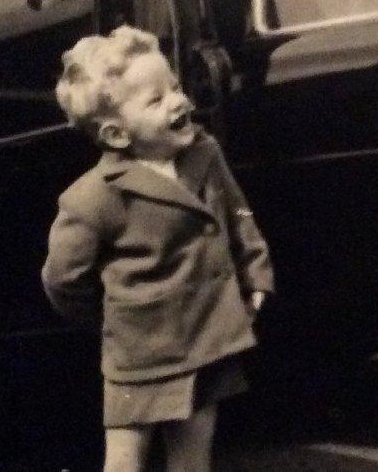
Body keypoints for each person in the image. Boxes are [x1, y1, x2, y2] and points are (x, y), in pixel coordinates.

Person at [41, 25, 274, 472]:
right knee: (125, 462)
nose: (178, 100)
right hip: (141, 357)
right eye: (156, 100)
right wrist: (118, 316)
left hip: (206, 338)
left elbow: (238, 215)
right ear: (116, 135)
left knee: (193, 457)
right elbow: (63, 280)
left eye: (174, 86)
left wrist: (256, 272)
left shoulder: (204, 154)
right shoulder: (95, 197)